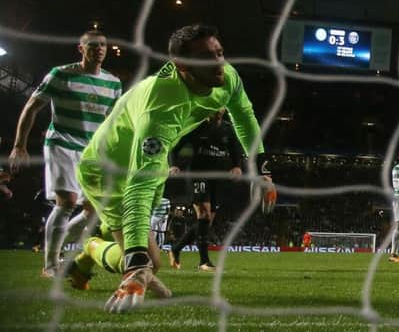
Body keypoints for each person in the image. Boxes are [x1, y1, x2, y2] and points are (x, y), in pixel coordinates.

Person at [68, 22, 275, 313]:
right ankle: (90, 247)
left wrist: (261, 168)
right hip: (108, 169)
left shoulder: (226, 76)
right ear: (181, 65)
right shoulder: (162, 106)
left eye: (220, 53)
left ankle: (88, 257)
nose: (219, 64)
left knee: (140, 249)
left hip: (152, 165)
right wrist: (137, 265)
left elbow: (244, 116)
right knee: (150, 261)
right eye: (207, 58)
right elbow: (137, 189)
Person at [8, 30, 121, 278]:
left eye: (102, 45)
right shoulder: (61, 74)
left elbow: (111, 124)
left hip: (92, 151)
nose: (98, 49)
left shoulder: (113, 83)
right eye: (92, 45)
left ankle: (56, 249)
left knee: (93, 212)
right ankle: (50, 266)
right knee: (67, 202)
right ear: (81, 48)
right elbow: (32, 107)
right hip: (62, 142)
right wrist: (19, 145)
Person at [168, 108, 244, 272]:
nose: (217, 110)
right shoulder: (196, 126)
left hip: (219, 177)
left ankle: (176, 247)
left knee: (206, 221)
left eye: (220, 107)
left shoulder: (227, 129)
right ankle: (204, 261)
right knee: (204, 214)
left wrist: (237, 166)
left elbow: (235, 149)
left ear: (224, 110)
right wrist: (173, 164)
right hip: (198, 174)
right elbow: (175, 146)